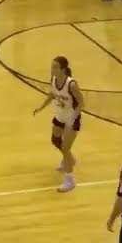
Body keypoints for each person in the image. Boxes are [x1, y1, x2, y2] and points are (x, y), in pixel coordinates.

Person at [32, 56, 84, 193]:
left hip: (71, 119)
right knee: (55, 140)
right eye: (52, 66)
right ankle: (70, 159)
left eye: (55, 67)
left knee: (65, 148)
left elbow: (81, 103)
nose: (52, 69)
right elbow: (52, 94)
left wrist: (73, 119)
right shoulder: (54, 80)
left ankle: (69, 180)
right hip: (59, 116)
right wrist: (40, 107)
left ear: (63, 69)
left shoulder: (71, 84)